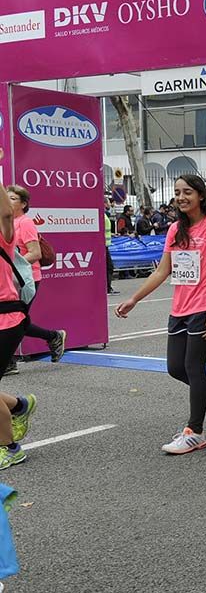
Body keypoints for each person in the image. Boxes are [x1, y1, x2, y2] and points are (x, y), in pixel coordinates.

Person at [115, 175, 206, 454]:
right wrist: (134, 298)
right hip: (180, 307)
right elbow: (163, 270)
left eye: (188, 192)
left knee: (194, 366)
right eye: (178, 193)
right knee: (176, 368)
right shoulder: (174, 229)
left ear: (200, 196)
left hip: (205, 307)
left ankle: (195, 432)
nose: (182, 197)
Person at [0, 154, 36, 470]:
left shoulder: (5, 235)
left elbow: (5, 213)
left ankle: (10, 447)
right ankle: (19, 405)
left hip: (7, 319)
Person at [6, 186, 67, 371]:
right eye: (6, 197)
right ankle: (52, 337)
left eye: (13, 198)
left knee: (16, 321)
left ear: (24, 204)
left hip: (26, 279)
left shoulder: (25, 223)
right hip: (9, 279)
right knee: (12, 319)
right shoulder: (6, 223)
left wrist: (12, 265)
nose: (8, 201)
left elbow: (35, 252)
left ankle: (52, 337)